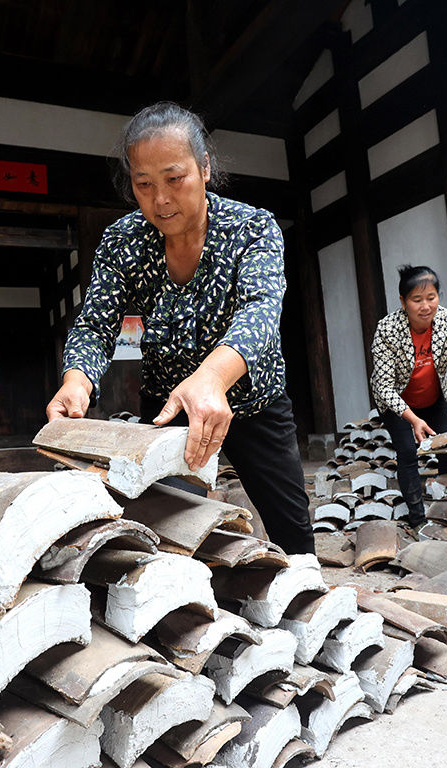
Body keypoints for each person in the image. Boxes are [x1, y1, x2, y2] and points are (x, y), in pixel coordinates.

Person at [45, 102, 315, 556]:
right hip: (169, 410)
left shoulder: (253, 228)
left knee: (292, 533)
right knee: (168, 535)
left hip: (254, 403)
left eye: (175, 179)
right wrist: (77, 381)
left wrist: (211, 380)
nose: (161, 199)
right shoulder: (122, 241)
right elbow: (95, 324)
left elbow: (261, 312)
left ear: (205, 168)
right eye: (143, 184)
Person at [370, 265, 447, 530]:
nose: (426, 306)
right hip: (398, 404)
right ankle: (418, 523)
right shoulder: (386, 330)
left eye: (431, 297)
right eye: (417, 300)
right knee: (407, 453)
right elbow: (383, 386)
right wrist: (413, 419)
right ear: (403, 302)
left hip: (433, 397)